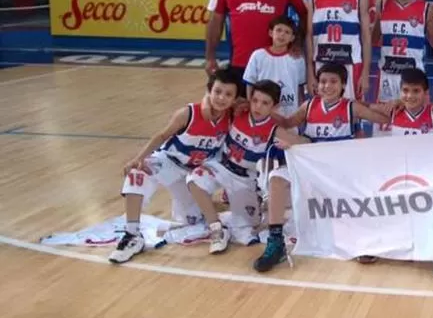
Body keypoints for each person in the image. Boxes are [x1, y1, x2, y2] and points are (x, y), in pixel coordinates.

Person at [253, 62, 391, 273]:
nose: (327, 86)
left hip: (338, 170)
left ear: (344, 84)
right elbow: (288, 123)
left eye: (333, 81)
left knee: (361, 191)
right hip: (307, 167)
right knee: (276, 178)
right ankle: (275, 240)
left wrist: (392, 106)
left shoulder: (350, 107)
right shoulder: (308, 106)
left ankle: (363, 241)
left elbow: (384, 119)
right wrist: (265, 110)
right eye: (323, 81)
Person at [108, 69, 238, 264]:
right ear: (209, 91)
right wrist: (139, 158)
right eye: (218, 92)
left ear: (235, 99)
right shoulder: (188, 113)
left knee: (191, 222)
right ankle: (132, 234)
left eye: (228, 94)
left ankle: (216, 227)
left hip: (194, 172)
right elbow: (161, 136)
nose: (221, 98)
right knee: (137, 173)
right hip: (169, 162)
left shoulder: (232, 116)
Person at [369, 68, 433, 279]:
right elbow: (361, 108)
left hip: (431, 173)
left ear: (426, 93)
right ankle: (375, 244)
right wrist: (391, 102)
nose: (409, 96)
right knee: (374, 193)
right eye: (405, 91)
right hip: (401, 173)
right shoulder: (393, 111)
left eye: (415, 91)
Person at [186, 80, 292, 253]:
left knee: (248, 227)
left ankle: (251, 209)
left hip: (246, 179)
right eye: (255, 100)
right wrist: (207, 101)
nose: (258, 106)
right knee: (194, 178)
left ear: (275, 106)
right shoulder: (236, 111)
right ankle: (216, 228)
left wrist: (290, 145)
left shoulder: (275, 130)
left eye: (265, 103)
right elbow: (212, 99)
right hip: (222, 167)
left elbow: (305, 142)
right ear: (249, 99)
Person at [372, 0, 433, 134]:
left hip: (414, 80)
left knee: (416, 131)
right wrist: (378, 13)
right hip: (387, 76)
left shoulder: (426, 8)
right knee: (383, 132)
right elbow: (373, 39)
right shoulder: (383, 4)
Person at [308, 0, 371, 101]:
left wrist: (365, 72)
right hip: (321, 64)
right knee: (322, 114)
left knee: (352, 114)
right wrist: (309, 73)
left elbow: (366, 37)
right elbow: (308, 36)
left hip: (351, 64)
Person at [243, 15, 306, 118]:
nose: (282, 34)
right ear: (271, 33)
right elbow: (250, 84)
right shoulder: (258, 55)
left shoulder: (298, 59)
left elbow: (300, 88)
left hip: (289, 114)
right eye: (279, 30)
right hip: (262, 112)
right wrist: (252, 106)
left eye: (287, 32)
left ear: (292, 38)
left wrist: (300, 113)